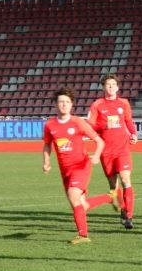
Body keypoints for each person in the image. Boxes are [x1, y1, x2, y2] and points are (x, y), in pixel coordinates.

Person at [43, 88, 117, 245]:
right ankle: (110, 197)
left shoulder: (77, 122)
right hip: (65, 170)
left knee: (73, 195)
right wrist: (47, 161)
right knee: (81, 205)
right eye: (61, 102)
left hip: (81, 166)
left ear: (71, 105)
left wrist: (96, 156)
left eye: (67, 102)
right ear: (56, 104)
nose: (64, 105)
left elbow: (99, 141)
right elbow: (47, 144)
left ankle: (83, 235)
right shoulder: (50, 124)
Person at [87, 74, 139, 229]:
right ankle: (122, 208)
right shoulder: (97, 105)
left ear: (117, 87)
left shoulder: (123, 103)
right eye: (108, 84)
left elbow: (128, 121)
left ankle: (129, 215)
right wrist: (103, 127)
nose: (110, 87)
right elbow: (90, 125)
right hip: (106, 151)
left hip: (122, 148)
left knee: (125, 179)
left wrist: (134, 134)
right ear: (103, 87)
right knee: (113, 185)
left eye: (113, 84)